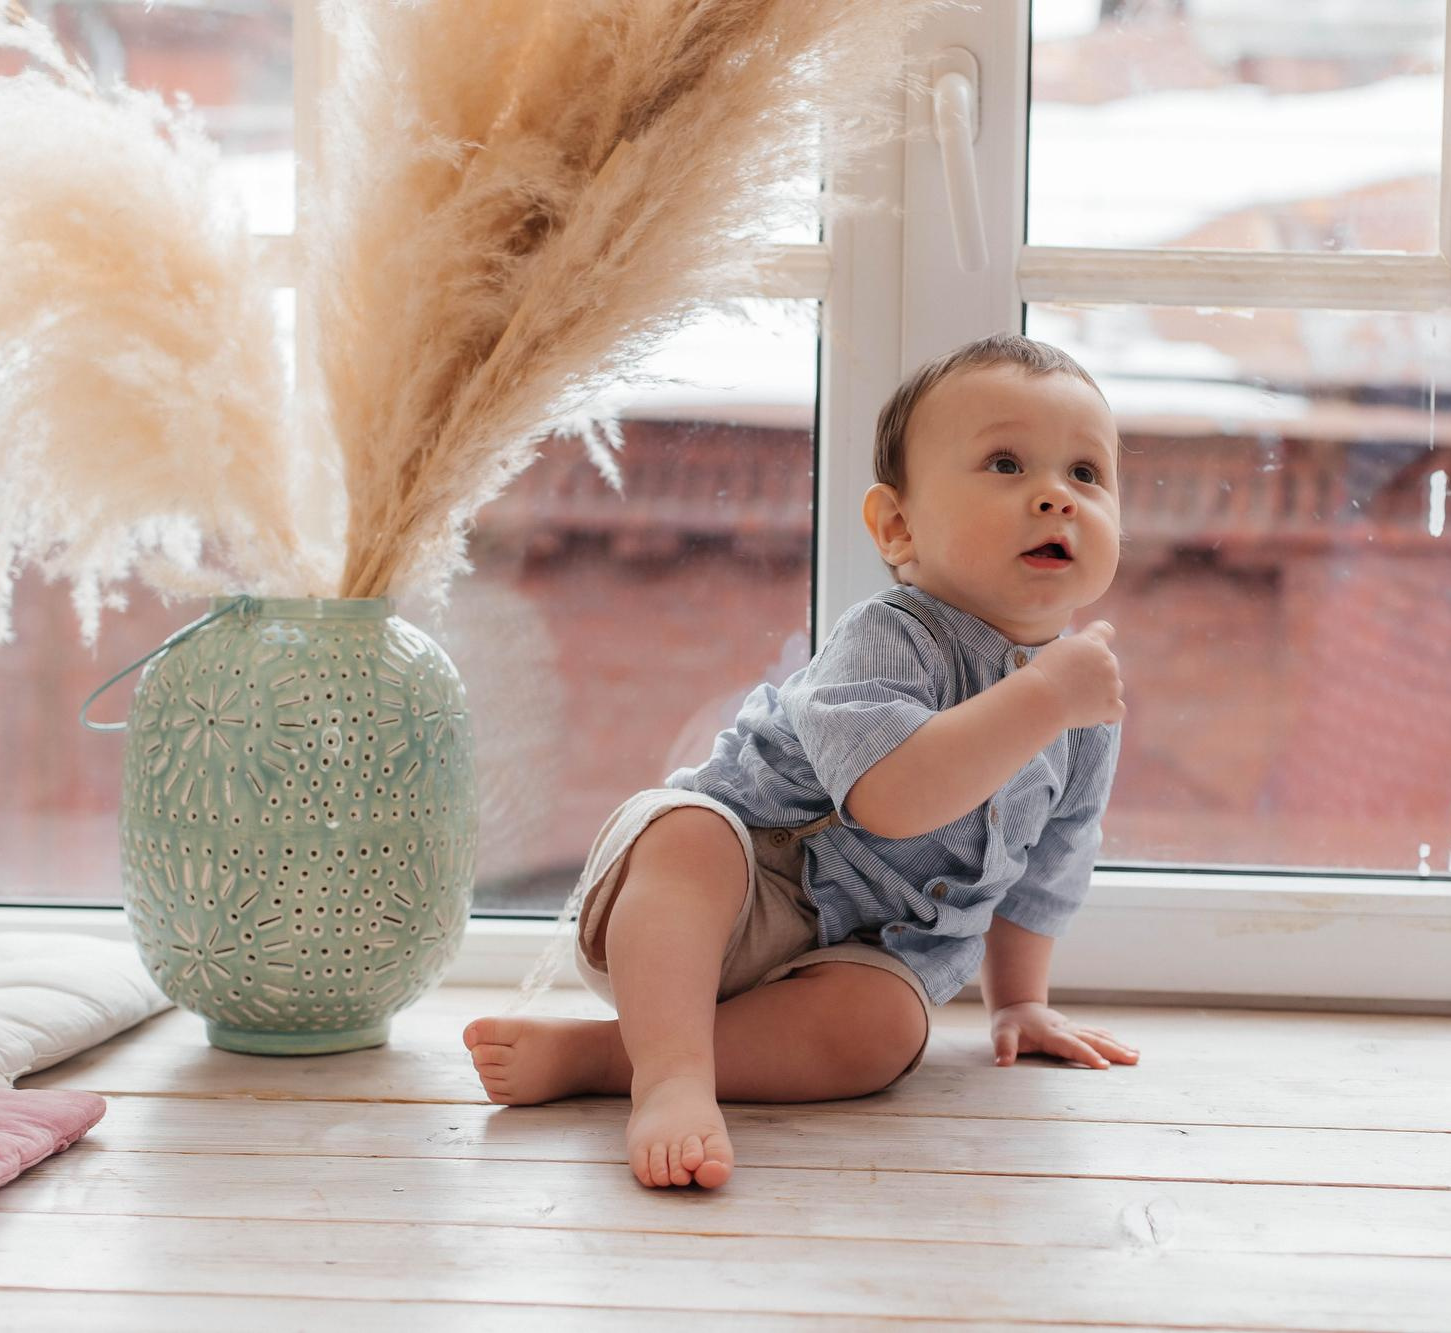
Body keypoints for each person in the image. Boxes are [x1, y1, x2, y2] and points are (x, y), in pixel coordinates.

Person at [463, 332, 1139, 1190]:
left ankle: (605, 1057)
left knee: (889, 1033)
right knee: (685, 835)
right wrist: (1044, 697)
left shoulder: (1083, 706)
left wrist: (1018, 1002)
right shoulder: (893, 637)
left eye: (1087, 474)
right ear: (898, 525)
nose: (1056, 497)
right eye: (1006, 464)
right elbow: (894, 795)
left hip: (850, 964)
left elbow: (1050, 865)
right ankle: (671, 1075)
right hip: (731, 899)